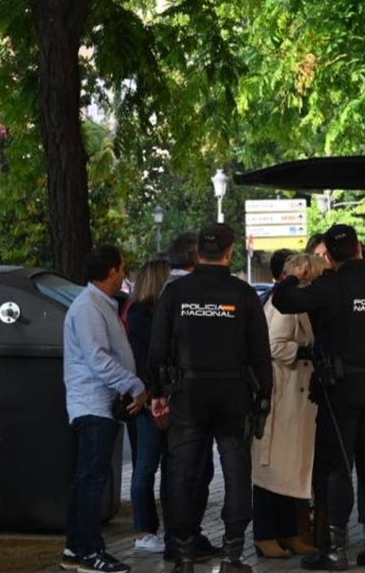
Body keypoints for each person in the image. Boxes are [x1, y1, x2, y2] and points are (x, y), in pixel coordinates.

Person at [273, 224, 365, 571]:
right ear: (360, 247)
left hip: (339, 391)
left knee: (337, 468)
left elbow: (283, 301)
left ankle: (335, 549)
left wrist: (295, 274)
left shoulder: (329, 286)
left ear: (327, 254)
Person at [149, 223, 273, 573]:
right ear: (231, 253)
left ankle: (184, 555)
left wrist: (157, 393)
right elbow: (260, 353)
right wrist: (264, 395)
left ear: (197, 253)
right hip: (233, 393)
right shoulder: (243, 293)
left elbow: (157, 348)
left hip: (187, 393)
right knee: (236, 473)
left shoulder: (175, 293)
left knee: (181, 474)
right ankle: (233, 555)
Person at [61, 245, 148, 573]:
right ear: (111, 271)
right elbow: (98, 357)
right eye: (122, 268)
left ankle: (74, 548)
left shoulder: (99, 305)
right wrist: (134, 385)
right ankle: (89, 551)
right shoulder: (88, 308)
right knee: (92, 480)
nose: (124, 274)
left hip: (101, 405)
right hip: (93, 405)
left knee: (87, 479)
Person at [252, 253, 325, 560]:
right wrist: (307, 349)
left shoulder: (296, 304)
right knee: (273, 467)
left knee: (289, 467)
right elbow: (275, 345)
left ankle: (288, 532)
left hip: (296, 395)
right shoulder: (284, 306)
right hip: (284, 395)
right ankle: (266, 533)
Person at [160, 231, 220, 562]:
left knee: (191, 470)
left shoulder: (176, 290)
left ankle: (187, 536)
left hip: (183, 393)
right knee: (188, 471)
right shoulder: (179, 291)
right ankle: (181, 539)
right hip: (186, 394)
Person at [124, 259, 172, 555]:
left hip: (150, 395)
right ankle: (144, 531)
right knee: (146, 467)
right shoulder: (144, 314)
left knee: (154, 466)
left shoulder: (139, 312)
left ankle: (152, 529)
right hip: (147, 398)